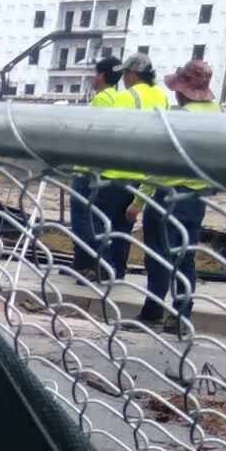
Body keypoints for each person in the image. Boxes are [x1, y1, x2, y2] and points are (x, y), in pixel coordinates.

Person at [138, 57, 224, 327]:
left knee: (158, 256)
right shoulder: (221, 114)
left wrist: (139, 199)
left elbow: (158, 166)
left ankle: (152, 312)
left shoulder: (181, 119)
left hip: (168, 196)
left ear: (181, 91)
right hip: (197, 200)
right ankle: (181, 315)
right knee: (185, 257)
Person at [69, 55, 135, 283]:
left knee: (84, 219)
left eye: (95, 73)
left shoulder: (104, 99)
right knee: (107, 223)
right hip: (100, 171)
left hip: (88, 171)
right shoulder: (114, 97)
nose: (93, 78)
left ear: (103, 76)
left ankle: (87, 262)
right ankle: (93, 263)